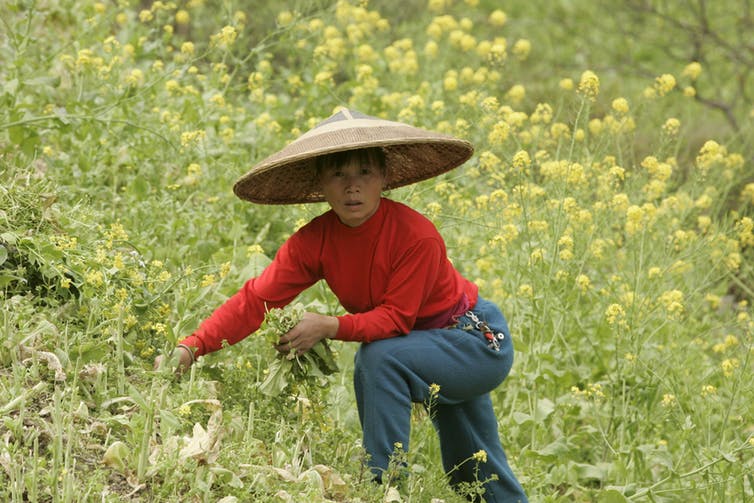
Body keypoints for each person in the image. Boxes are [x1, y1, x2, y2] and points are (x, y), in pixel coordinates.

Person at [155, 109, 528, 502]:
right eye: (339, 175)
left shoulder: (415, 235)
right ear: (321, 183)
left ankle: (382, 490)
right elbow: (256, 301)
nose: (353, 187)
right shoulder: (315, 241)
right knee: (477, 473)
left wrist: (329, 325)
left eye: (365, 173)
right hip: (424, 348)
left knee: (380, 358)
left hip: (471, 342)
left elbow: (397, 320)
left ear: (384, 178)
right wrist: (191, 347)